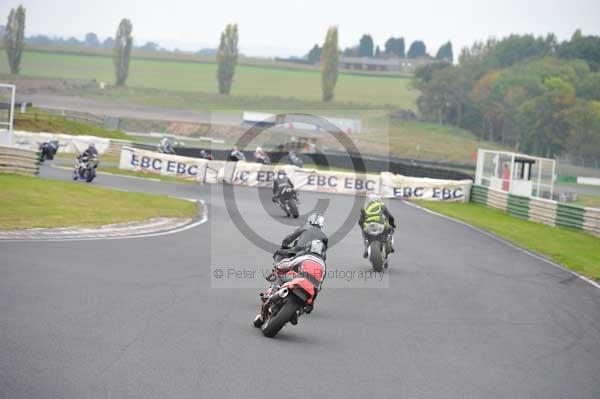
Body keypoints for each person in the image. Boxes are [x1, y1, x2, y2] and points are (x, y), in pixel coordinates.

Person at [254, 213, 328, 327]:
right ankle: (297, 311)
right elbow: (320, 283)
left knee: (281, 258)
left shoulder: (305, 227)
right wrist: (311, 302)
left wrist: (284, 247)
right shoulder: (324, 244)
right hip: (311, 284)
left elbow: (289, 238)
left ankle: (273, 286)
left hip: (296, 253)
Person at [358, 193, 395, 258]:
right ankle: (390, 247)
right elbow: (389, 217)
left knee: (363, 230)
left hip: (368, 228)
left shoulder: (365, 207)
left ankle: (366, 246)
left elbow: (360, 221)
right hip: (380, 226)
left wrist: (362, 227)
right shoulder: (381, 205)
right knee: (390, 230)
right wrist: (393, 224)